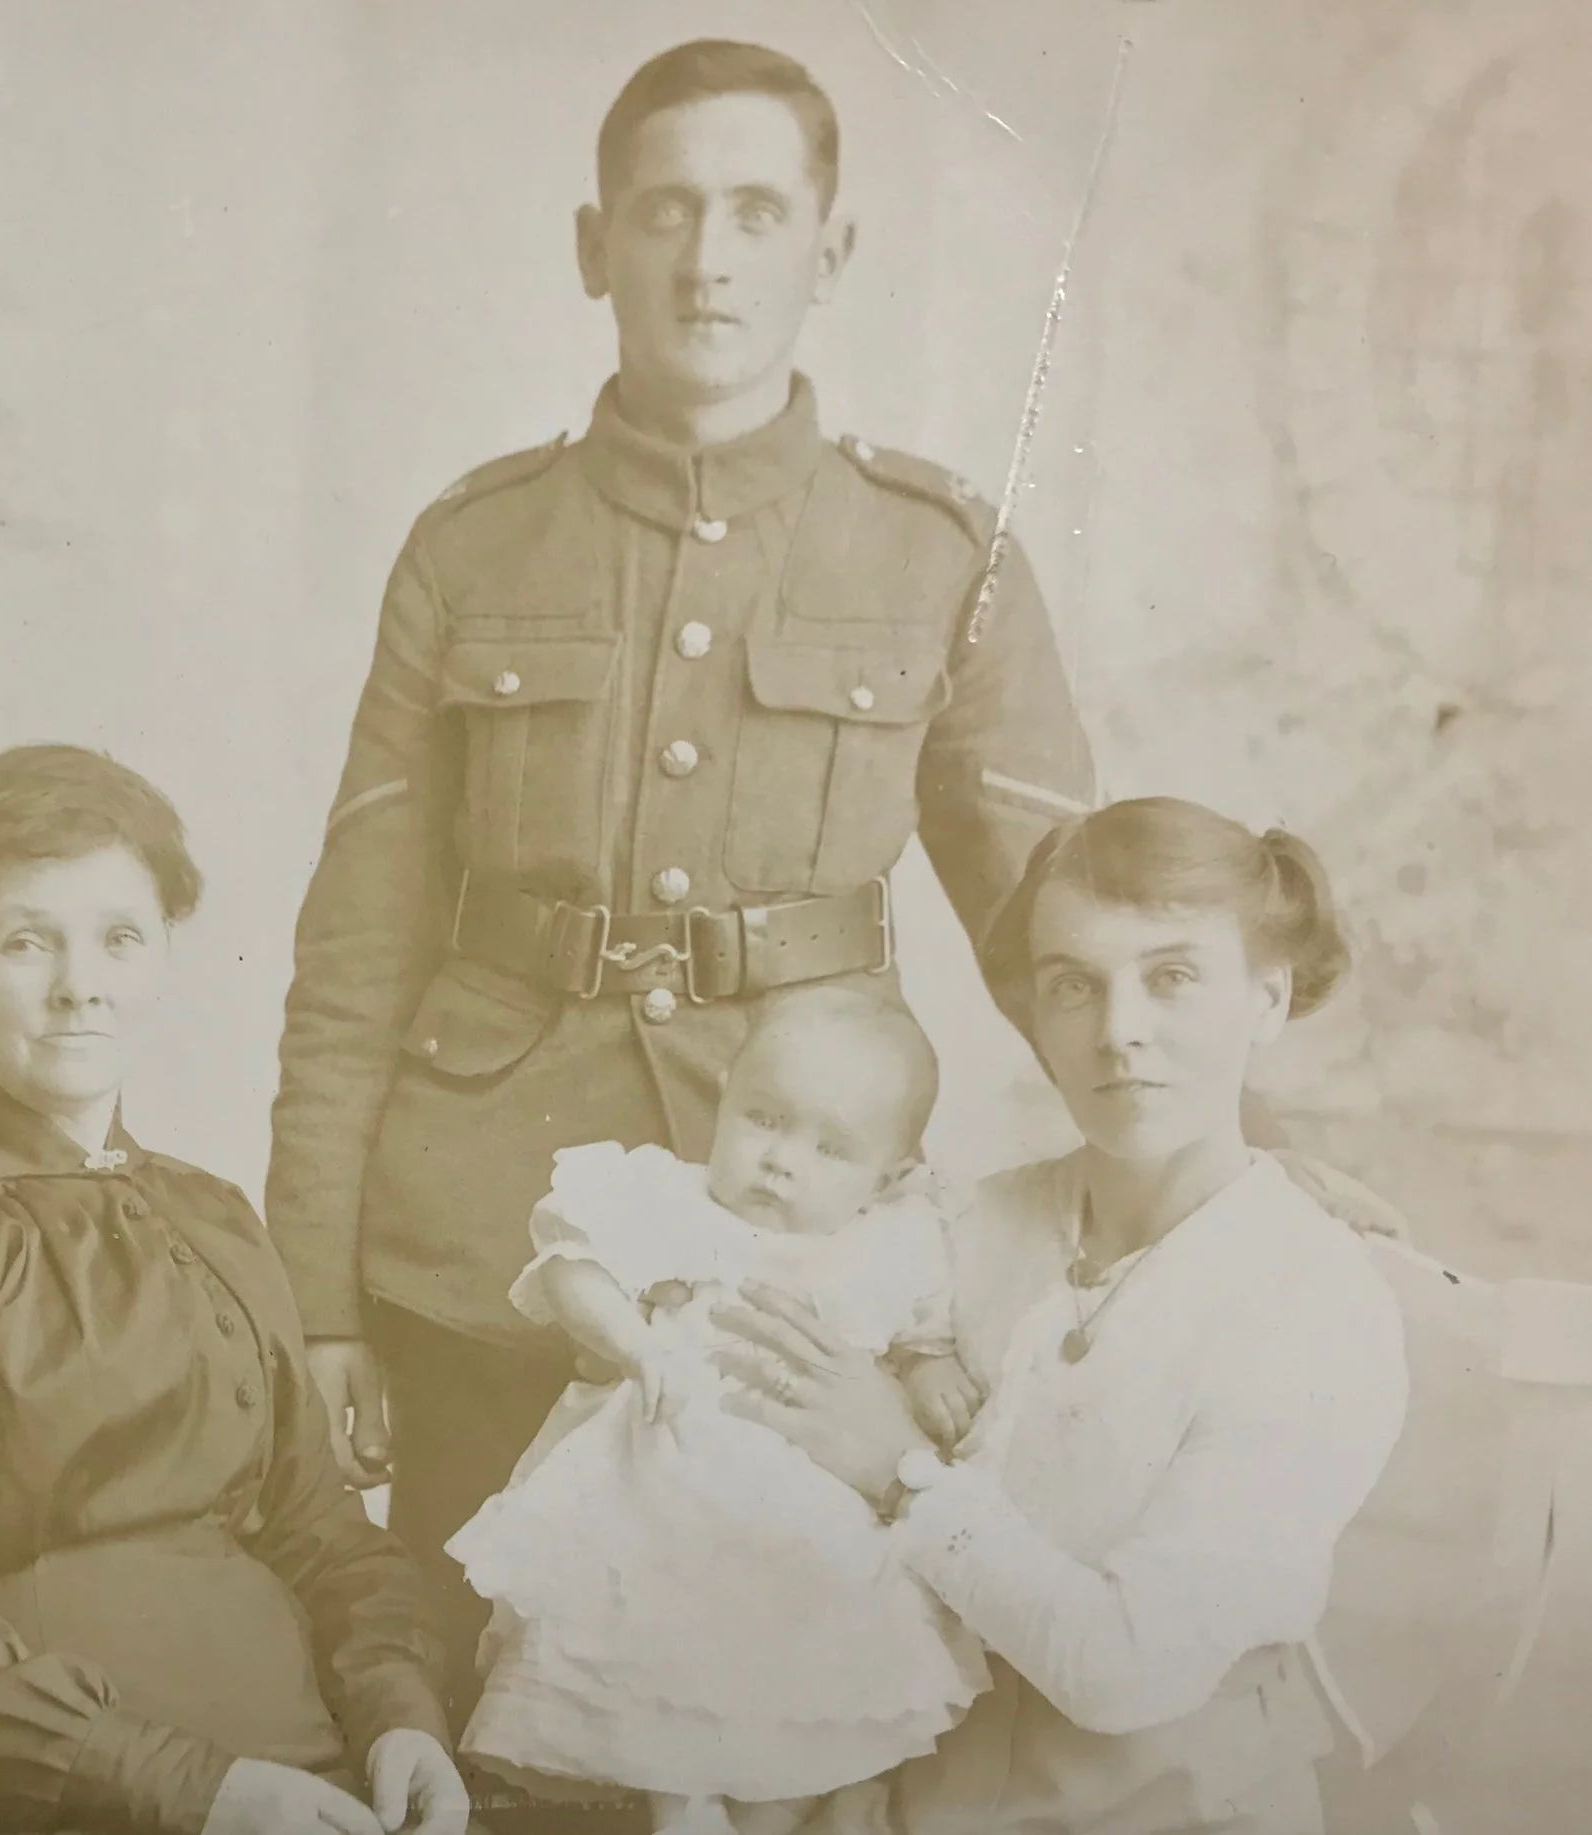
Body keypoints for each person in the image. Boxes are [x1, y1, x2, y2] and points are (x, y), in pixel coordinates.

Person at [262, 37, 1098, 1704]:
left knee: (782, 1731)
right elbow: (355, 953)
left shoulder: (942, 558)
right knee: (484, 1705)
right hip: (482, 1250)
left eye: (756, 214)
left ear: (829, 253)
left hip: (806, 1278)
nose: (708, 258)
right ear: (596, 247)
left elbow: (1069, 927)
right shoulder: (474, 544)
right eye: (665, 214)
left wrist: (1237, 1164)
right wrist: (318, 1303)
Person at [0, 745, 469, 1835]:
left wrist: (400, 1715)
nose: (80, 983)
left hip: (296, 1774)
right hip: (19, 1795)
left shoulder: (209, 1212)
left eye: (119, 937)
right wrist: (193, 1787)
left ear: (163, 955)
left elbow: (319, 1524)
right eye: (26, 940)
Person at [714, 799, 1409, 1833]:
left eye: (1171, 976)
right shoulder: (964, 1222)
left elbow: (1126, 1670)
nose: (1117, 1028)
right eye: (1070, 984)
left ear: (1266, 998)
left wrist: (899, 1469)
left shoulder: (1314, 1304)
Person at [446, 986, 989, 1835]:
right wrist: (636, 1342)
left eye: (829, 1147)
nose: (782, 1161)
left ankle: (766, 1810)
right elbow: (571, 1264)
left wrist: (929, 1374)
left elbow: (917, 1336)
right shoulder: (669, 1197)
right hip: (668, 1485)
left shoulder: (891, 1240)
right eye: (764, 1118)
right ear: (726, 1094)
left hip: (804, 1513)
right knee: (653, 1665)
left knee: (801, 1687)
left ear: (890, 1174)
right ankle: (682, 1806)